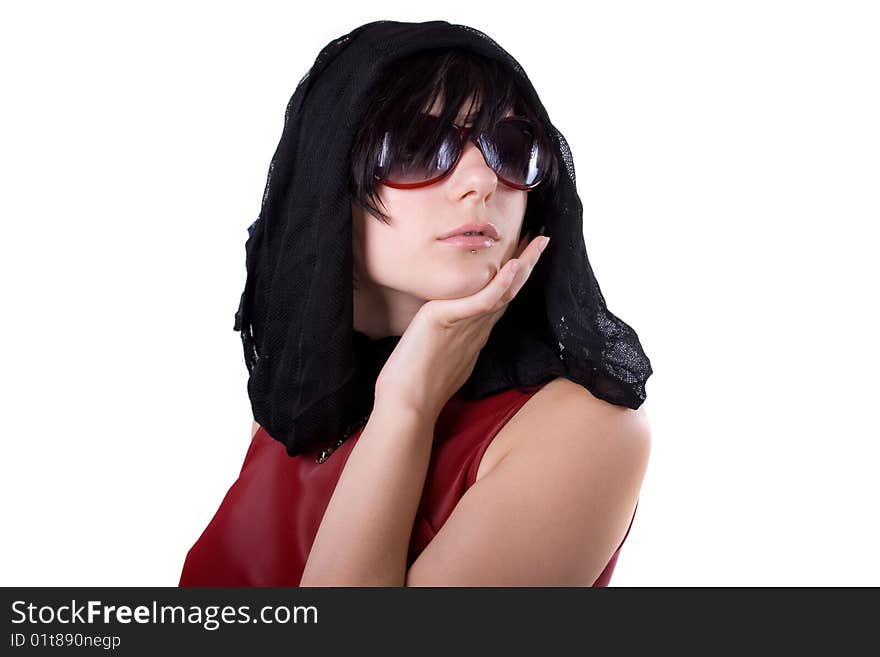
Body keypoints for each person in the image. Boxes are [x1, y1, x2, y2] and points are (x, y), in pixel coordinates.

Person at [179, 19, 654, 587]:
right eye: (417, 146)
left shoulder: (583, 429)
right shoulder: (301, 402)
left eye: (509, 146)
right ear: (331, 185)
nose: (480, 181)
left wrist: (407, 406)